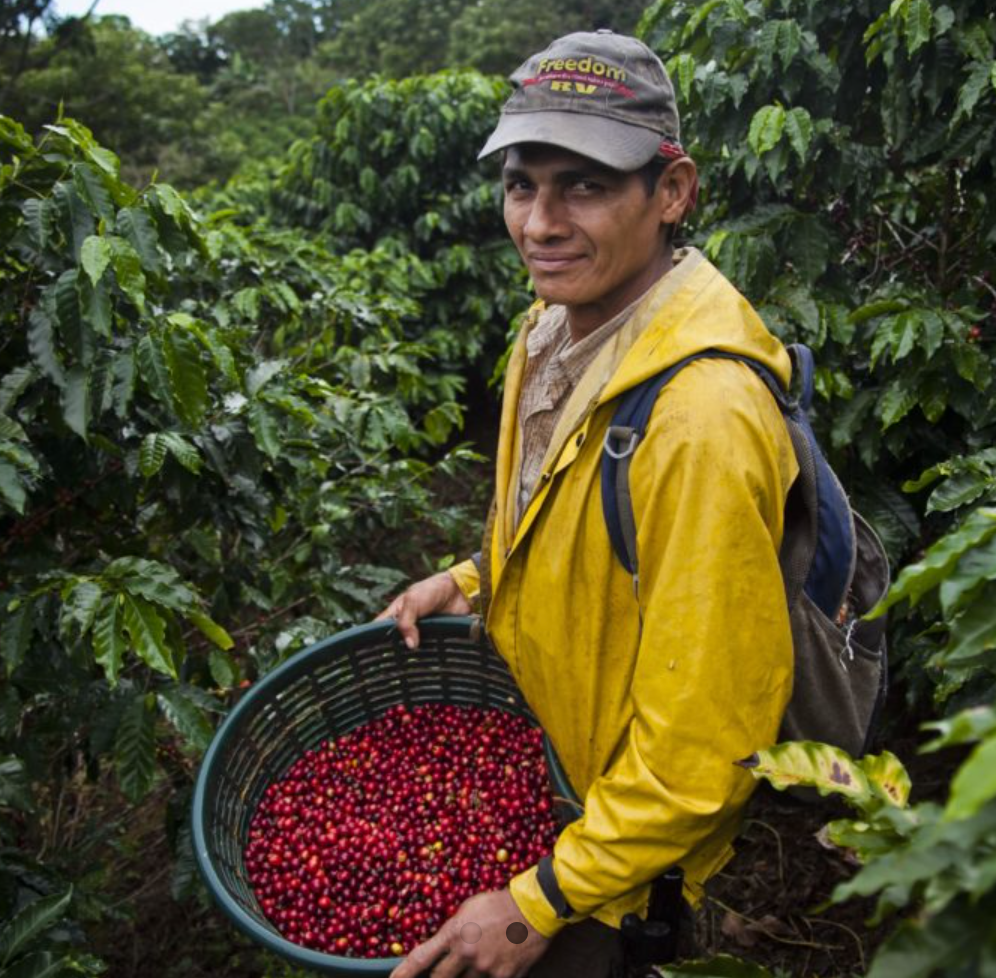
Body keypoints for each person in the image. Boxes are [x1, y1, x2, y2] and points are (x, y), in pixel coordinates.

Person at [381, 29, 797, 978]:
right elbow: (584, 532)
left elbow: (709, 747)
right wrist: (471, 580)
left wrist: (540, 903)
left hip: (613, 868)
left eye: (587, 186)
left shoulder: (701, 419)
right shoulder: (553, 328)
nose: (540, 223)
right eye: (522, 184)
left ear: (674, 191)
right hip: (552, 779)